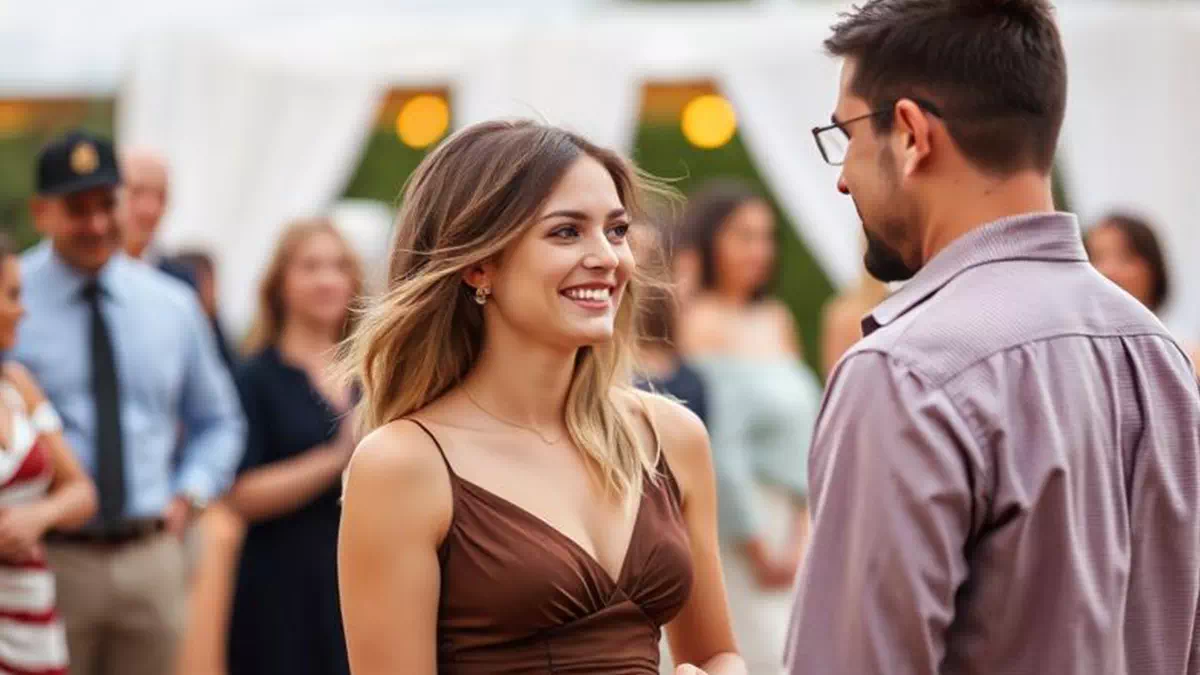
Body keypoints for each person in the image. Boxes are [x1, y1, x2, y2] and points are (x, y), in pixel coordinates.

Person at [788, 1, 1200, 674]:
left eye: (847, 134)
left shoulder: (903, 373)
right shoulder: (1157, 357)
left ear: (912, 133)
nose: (842, 175)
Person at [336, 119, 745, 675]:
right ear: (479, 264)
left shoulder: (671, 437)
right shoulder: (402, 464)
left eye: (617, 230)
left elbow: (717, 654)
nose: (608, 257)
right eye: (567, 232)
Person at [14, 129, 246, 675]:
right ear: (42, 212)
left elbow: (220, 421)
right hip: (45, 559)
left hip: (150, 556)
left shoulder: (172, 304)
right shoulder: (11, 300)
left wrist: (191, 493)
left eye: (107, 204)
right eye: (78, 209)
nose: (97, 224)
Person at [673, 179, 822, 673]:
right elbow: (718, 441)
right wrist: (756, 545)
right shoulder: (698, 322)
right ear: (710, 241)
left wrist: (802, 529)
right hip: (736, 521)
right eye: (743, 236)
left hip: (792, 519)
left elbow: (805, 433)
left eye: (765, 237)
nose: (759, 250)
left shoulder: (777, 318)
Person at [224, 218, 364, 675]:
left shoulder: (376, 372)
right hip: (281, 591)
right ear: (280, 283)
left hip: (362, 583)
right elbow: (240, 495)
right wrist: (336, 457)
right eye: (310, 267)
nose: (327, 279)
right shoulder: (254, 378)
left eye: (338, 266)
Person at [0, 231, 98, 675]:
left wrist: (38, 517)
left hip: (36, 626)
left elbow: (82, 492)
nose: (22, 310)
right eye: (12, 295)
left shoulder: (18, 384)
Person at [116, 147, 196, 288]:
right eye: (137, 192)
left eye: (161, 196)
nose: (150, 210)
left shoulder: (180, 282)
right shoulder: (85, 274)